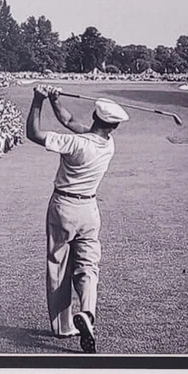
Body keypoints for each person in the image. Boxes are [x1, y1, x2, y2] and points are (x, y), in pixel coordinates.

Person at [26, 85, 129, 353]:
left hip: (63, 206)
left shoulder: (75, 143)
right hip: (90, 209)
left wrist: (38, 101)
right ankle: (87, 312)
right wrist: (55, 100)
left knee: (58, 265)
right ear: (113, 126)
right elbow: (69, 120)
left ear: (95, 117)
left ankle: (63, 326)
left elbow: (34, 134)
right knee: (88, 265)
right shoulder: (108, 144)